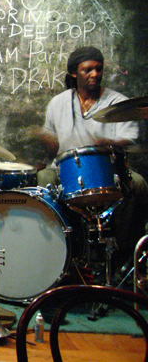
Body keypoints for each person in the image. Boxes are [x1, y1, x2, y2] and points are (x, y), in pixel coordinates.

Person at [38, 46, 148, 271]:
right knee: (41, 179)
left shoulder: (119, 103)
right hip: (65, 169)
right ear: (74, 74)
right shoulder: (58, 103)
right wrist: (45, 139)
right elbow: (53, 146)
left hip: (108, 170)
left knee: (138, 185)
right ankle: (54, 253)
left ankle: (124, 259)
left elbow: (129, 141)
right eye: (88, 70)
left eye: (98, 69)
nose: (95, 74)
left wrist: (110, 144)